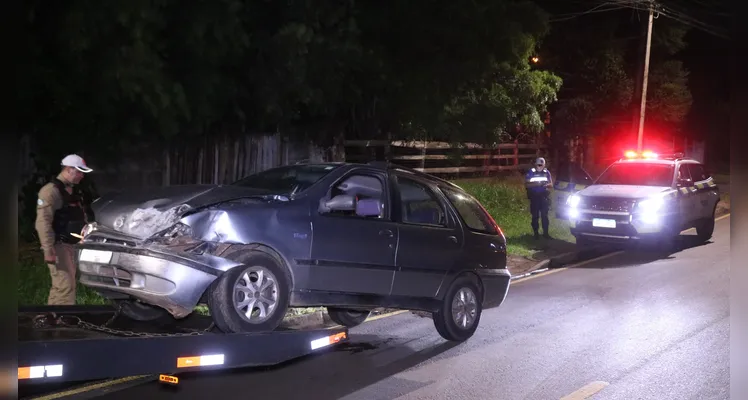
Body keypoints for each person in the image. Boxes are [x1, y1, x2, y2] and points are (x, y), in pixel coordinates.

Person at [35, 154, 95, 305]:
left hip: (72, 246)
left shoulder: (72, 191)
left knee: (62, 286)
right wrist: (48, 249)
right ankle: (63, 320)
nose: (82, 176)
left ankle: (52, 317)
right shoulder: (50, 191)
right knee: (65, 286)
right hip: (59, 246)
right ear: (69, 170)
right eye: (79, 172)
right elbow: (43, 222)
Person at [525, 157, 553, 240]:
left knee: (545, 216)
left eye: (541, 165)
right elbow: (527, 185)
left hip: (544, 197)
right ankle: (536, 234)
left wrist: (546, 185)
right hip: (534, 197)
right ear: (536, 164)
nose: (540, 166)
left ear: (544, 165)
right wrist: (538, 184)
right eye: (539, 165)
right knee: (535, 216)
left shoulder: (546, 172)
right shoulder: (531, 172)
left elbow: (551, 184)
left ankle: (546, 233)